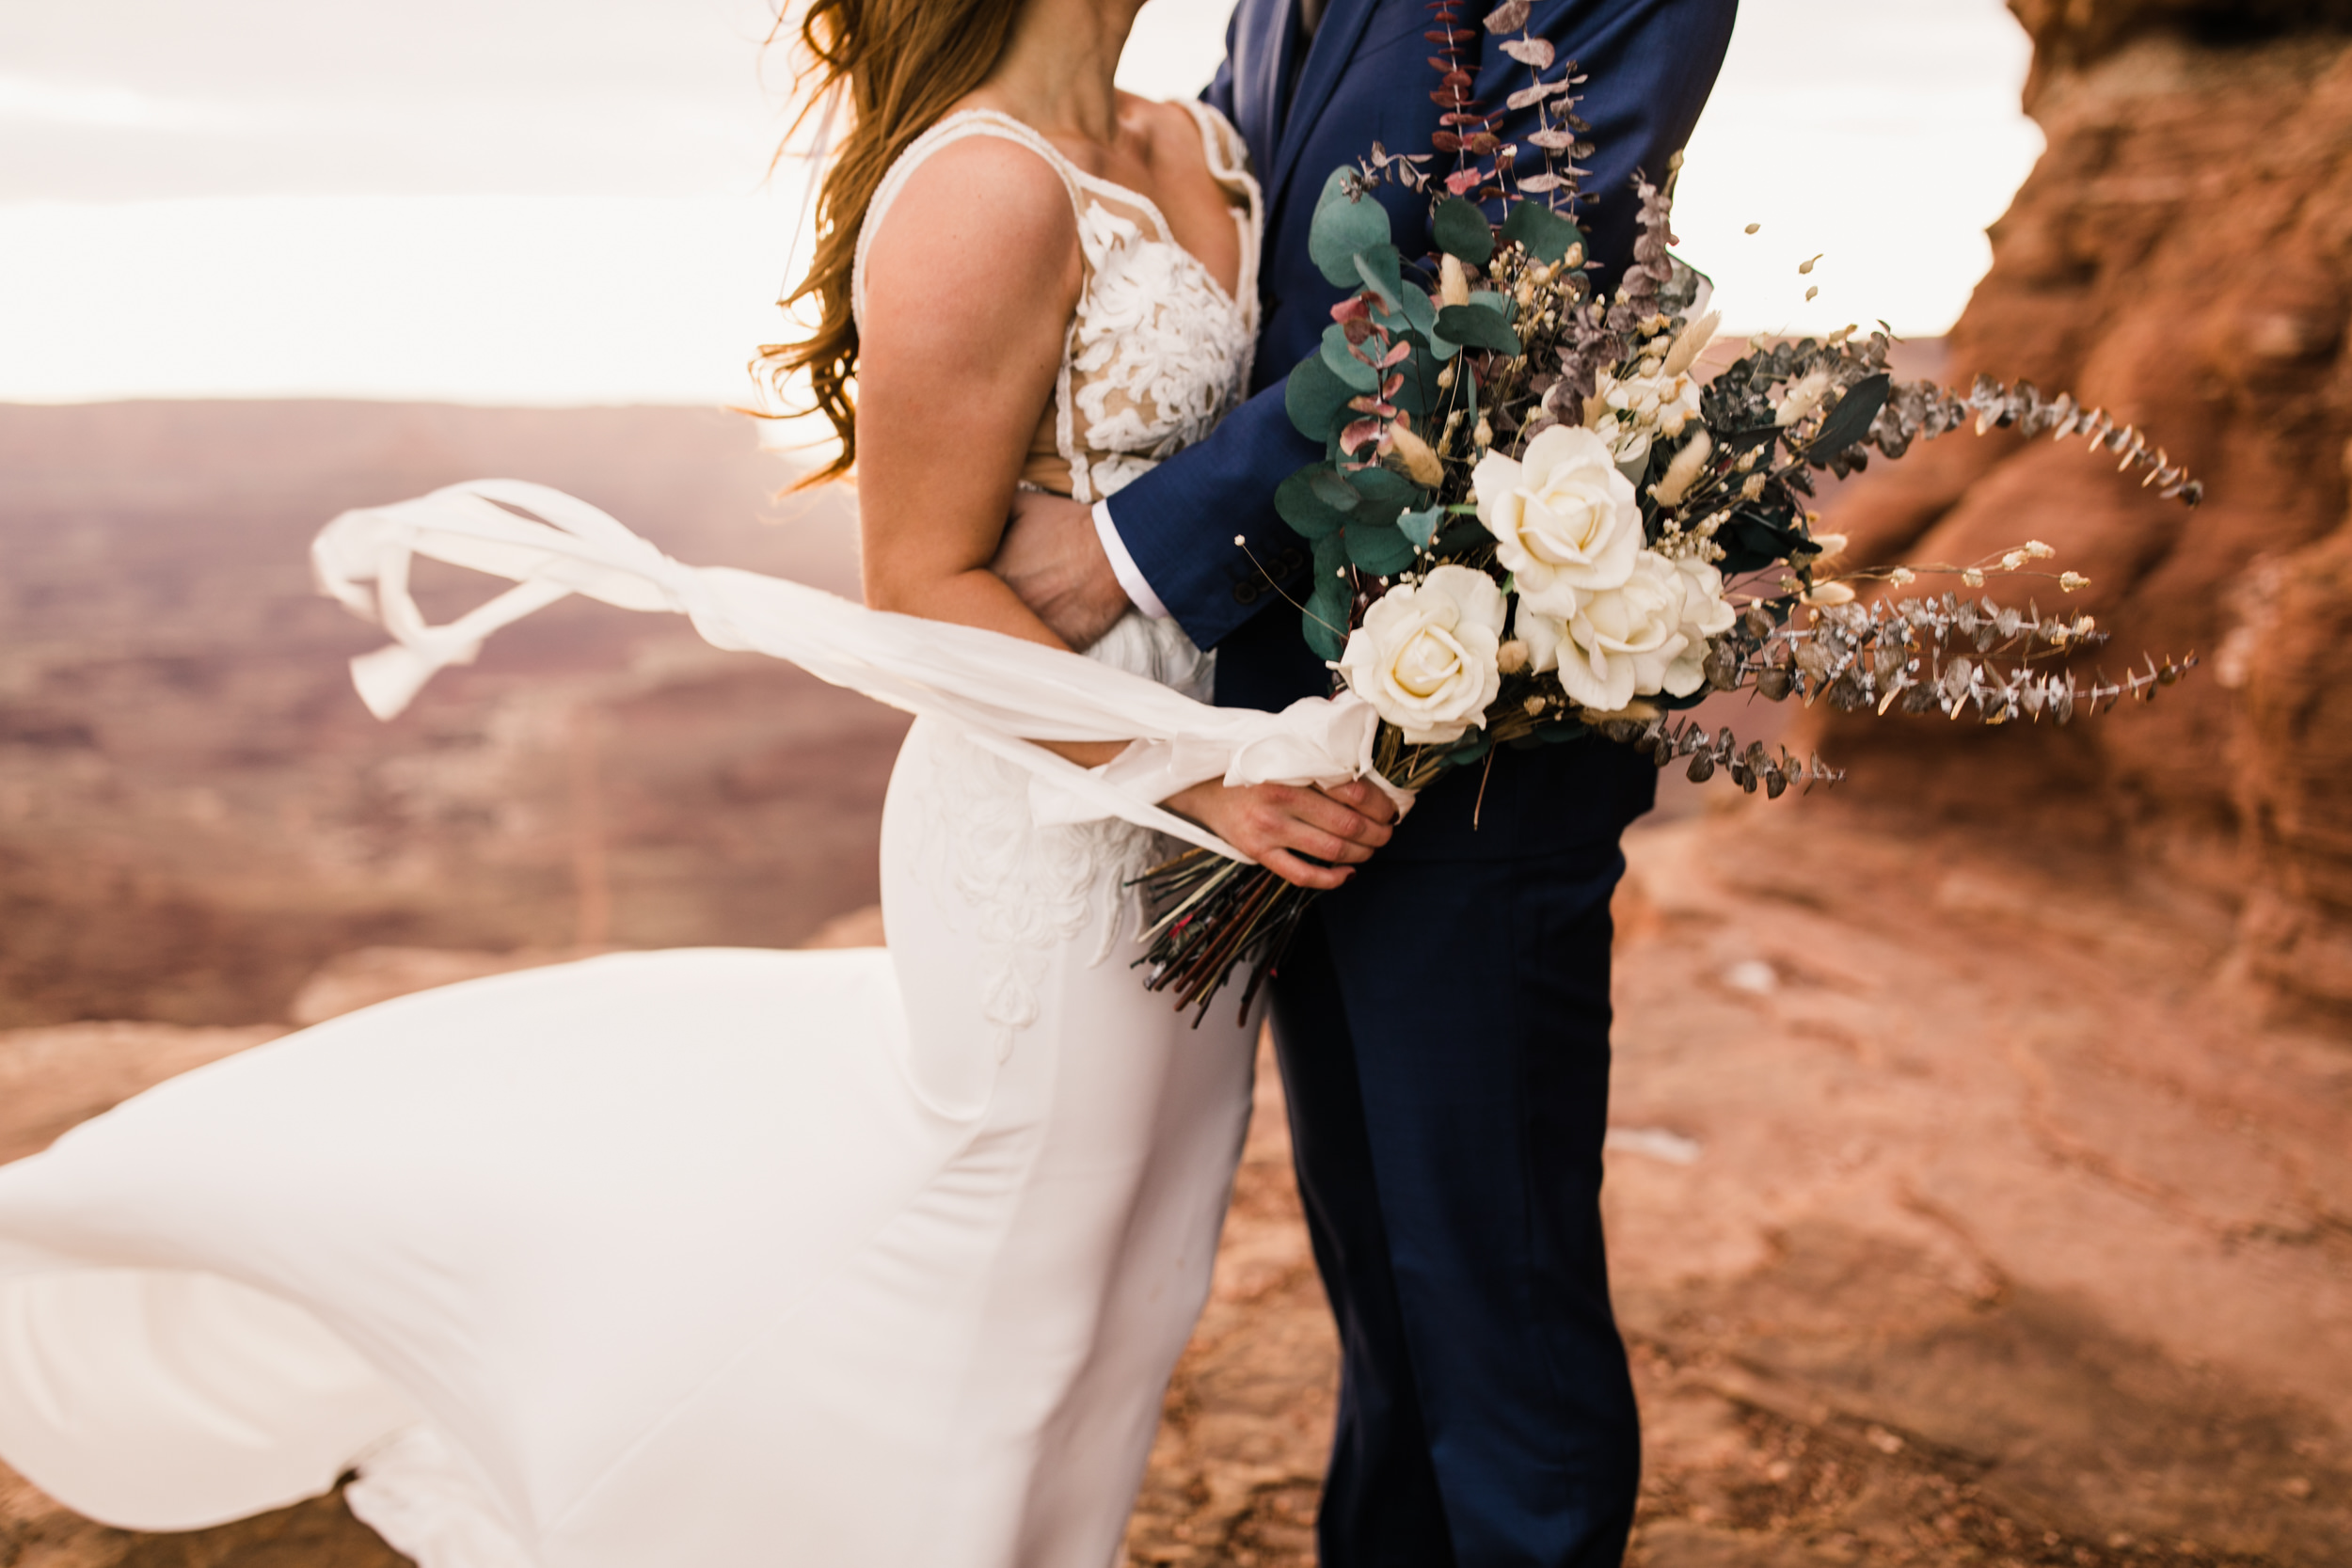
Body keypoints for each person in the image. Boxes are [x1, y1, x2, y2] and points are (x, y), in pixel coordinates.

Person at [0, 3, 1399, 1566]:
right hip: (1052, 810)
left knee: (1139, 1282)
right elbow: (919, 588)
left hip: (1219, 787)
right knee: (1008, 1273)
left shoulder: (1203, 143)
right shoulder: (981, 188)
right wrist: (1189, 785)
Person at [990, 1, 1738, 1562]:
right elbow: (1228, 226)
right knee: (1388, 1274)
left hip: (1475, 752)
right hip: (1273, 723)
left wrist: (1130, 543)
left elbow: (1513, 294)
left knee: (1494, 1296)